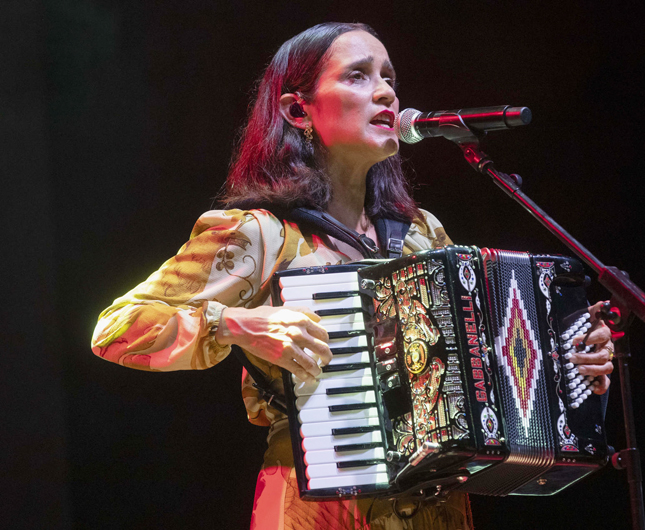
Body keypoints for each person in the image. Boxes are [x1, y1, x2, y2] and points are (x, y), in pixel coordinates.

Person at [91, 22, 614, 530]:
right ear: (298, 110)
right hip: (315, 506)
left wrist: (566, 358)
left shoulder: (421, 236)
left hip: (434, 509)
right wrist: (233, 323)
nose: (386, 92)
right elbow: (116, 328)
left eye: (389, 77)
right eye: (358, 75)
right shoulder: (258, 233)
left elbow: (482, 365)